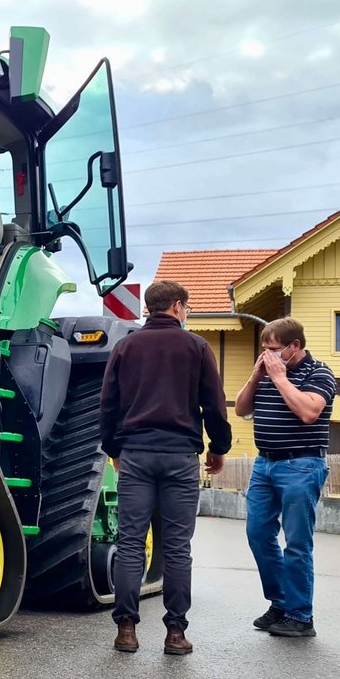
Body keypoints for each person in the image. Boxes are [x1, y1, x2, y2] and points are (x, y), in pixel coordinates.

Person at [100, 280, 231, 655]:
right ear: (177, 306)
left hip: (136, 454)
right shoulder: (196, 347)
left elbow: (109, 404)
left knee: (130, 544)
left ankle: (126, 629)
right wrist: (218, 448)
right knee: (176, 548)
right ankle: (175, 633)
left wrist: (114, 448)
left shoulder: (125, 347)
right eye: (186, 307)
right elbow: (214, 405)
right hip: (179, 457)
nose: (186, 312)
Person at [234, 317, 335, 638]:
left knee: (297, 543)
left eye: (275, 349)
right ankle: (281, 602)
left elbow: (309, 412)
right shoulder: (265, 373)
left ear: (295, 346)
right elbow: (240, 409)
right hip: (265, 465)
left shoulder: (319, 372)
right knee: (258, 533)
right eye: (264, 349)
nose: (269, 355)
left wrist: (279, 378)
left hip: (301, 465)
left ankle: (300, 615)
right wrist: (255, 376)